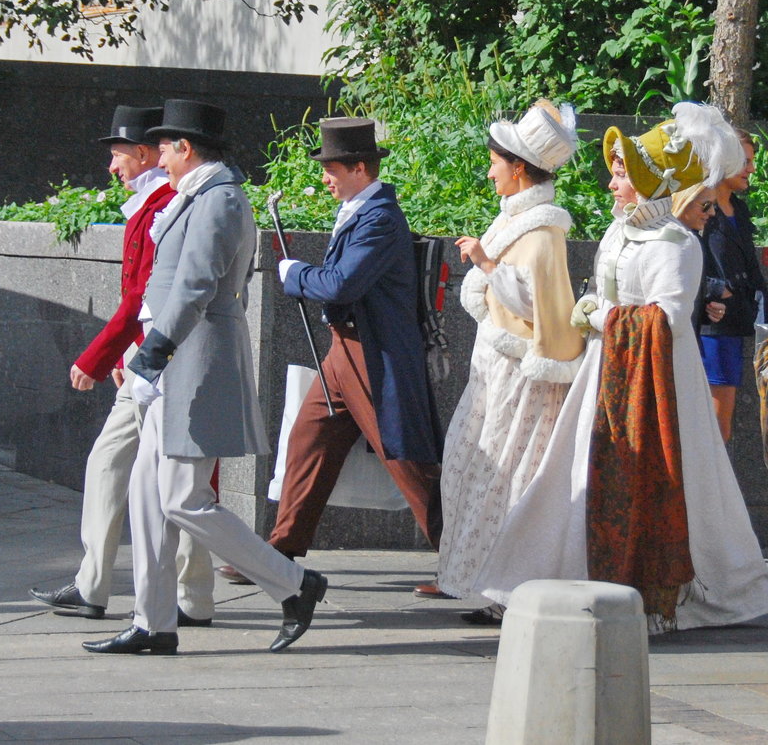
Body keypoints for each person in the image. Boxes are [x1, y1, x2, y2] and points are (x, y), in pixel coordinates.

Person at [473, 103, 768, 633]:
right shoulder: (617, 233)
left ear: (647, 181)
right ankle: (545, 578)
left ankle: (698, 590)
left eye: (621, 173)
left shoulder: (678, 243)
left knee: (677, 476)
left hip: (660, 383)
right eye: (614, 171)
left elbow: (668, 317)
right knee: (569, 473)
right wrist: (597, 315)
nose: (612, 182)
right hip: (605, 369)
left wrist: (601, 313)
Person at [83, 99, 326, 655]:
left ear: (186, 149)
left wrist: (153, 353)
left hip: (191, 360)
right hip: (172, 360)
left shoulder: (219, 200)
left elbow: (195, 286)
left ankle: (294, 584)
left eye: (165, 148)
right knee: (149, 497)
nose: (158, 158)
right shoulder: (199, 196)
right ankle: (153, 622)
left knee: (183, 500)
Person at [29, 105, 214, 626]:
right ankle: (181, 595)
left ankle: (130, 590)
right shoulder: (154, 201)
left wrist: (106, 354)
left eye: (116, 155)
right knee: (151, 474)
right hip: (150, 351)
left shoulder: (167, 204)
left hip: (163, 353)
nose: (111, 168)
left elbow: (146, 294)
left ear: (143, 152)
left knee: (154, 473)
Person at [269, 117, 443, 566]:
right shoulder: (361, 211)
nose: (325, 177)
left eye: (332, 168)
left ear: (360, 169)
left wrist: (295, 275)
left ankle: (464, 557)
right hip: (344, 350)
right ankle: (281, 549)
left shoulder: (380, 218)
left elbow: (342, 285)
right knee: (309, 439)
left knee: (407, 462)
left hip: (373, 353)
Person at [437, 101, 584, 623]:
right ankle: (488, 585)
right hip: (500, 365)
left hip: (521, 372)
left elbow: (535, 303)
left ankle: (508, 593)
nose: (490, 170)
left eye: (496, 162)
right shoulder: (520, 220)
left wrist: (484, 262)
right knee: (480, 468)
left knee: (511, 476)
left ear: (519, 167)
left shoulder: (541, 230)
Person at [697, 125, 768, 442]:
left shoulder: (739, 209)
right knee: (714, 427)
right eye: (745, 161)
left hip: (736, 326)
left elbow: (753, 271)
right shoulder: (698, 207)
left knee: (722, 427)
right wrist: (714, 291)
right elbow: (682, 262)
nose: (752, 169)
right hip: (710, 329)